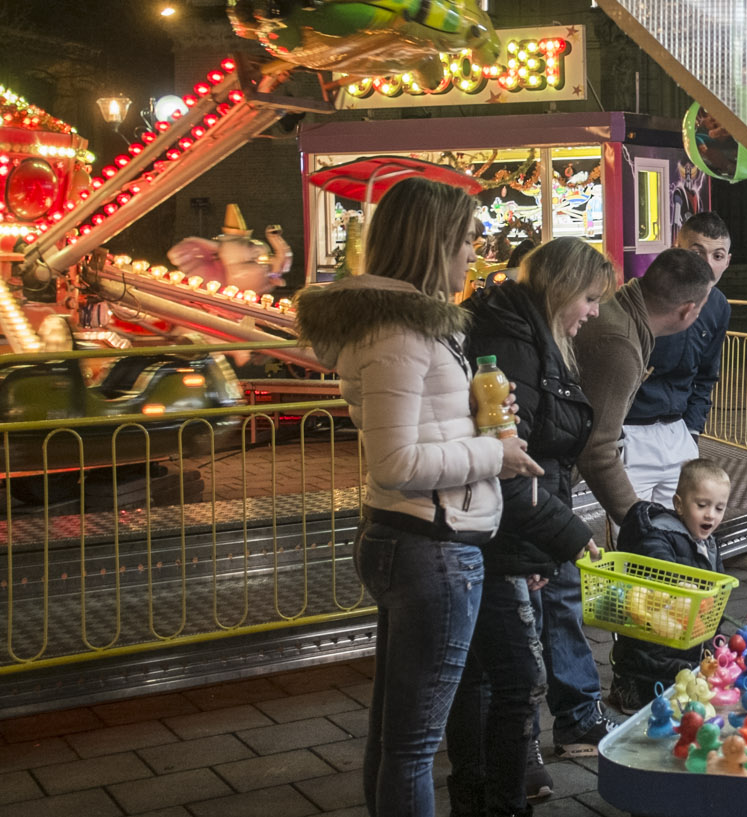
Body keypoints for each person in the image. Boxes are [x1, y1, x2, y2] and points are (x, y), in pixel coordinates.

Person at [293, 178, 542, 817]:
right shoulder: (400, 334)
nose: (472, 254)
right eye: (464, 241)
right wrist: (497, 454)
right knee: (414, 744)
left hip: (420, 539)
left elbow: (421, 428)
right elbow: (399, 460)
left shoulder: (409, 328)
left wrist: (482, 413)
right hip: (431, 545)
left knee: (397, 734)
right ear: (431, 246)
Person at [452, 237, 613, 815]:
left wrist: (540, 548)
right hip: (494, 533)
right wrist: (563, 537)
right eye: (590, 299)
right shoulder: (509, 342)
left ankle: (499, 785)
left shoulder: (530, 337)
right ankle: (497, 794)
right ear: (562, 289)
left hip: (516, 532)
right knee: (510, 679)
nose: (593, 313)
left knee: (502, 678)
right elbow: (512, 461)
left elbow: (540, 458)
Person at [558, 247, 716, 753]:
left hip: (541, 483)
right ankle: (578, 719)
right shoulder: (621, 344)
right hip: (539, 485)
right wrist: (642, 522)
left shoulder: (625, 324)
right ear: (689, 311)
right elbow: (597, 448)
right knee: (559, 600)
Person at [622, 213, 733, 508]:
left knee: (679, 531)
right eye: (697, 252)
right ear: (676, 249)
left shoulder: (719, 306)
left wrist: (693, 429)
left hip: (679, 430)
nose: (707, 264)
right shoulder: (646, 295)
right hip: (632, 430)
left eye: (717, 255)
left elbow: (707, 374)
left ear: (727, 261)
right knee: (635, 536)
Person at [608, 459, 732, 711]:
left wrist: (715, 638)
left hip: (686, 644)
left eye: (719, 508)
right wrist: (678, 582)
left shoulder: (708, 543)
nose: (711, 514)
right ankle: (626, 689)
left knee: (681, 705)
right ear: (679, 505)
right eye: (702, 505)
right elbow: (655, 563)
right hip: (652, 646)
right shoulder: (658, 534)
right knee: (649, 707)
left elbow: (715, 595)